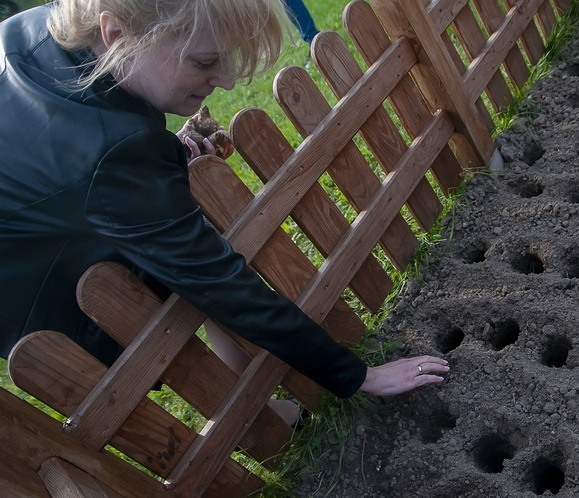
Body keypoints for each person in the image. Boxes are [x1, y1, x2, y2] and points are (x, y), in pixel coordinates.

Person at [0, 0, 449, 410]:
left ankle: (268, 405)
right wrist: (359, 375)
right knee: (179, 293)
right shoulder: (111, 150)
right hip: (45, 294)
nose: (227, 81)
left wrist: (161, 161)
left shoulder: (40, 29)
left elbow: (62, 163)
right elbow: (217, 280)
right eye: (204, 62)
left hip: (48, 230)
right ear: (116, 34)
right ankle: (260, 412)